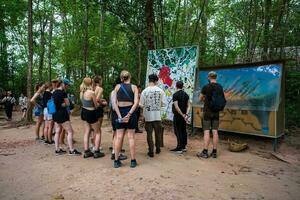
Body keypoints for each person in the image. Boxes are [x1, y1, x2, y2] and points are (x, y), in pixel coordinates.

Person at [112, 70, 139, 168]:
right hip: (130, 112)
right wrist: (129, 114)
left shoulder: (117, 87)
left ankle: (116, 161)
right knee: (131, 137)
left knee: (118, 137)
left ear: (121, 77)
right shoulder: (134, 87)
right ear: (130, 77)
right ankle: (133, 161)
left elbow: (114, 103)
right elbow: (136, 102)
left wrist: (120, 116)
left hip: (120, 112)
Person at [197, 71, 225, 158]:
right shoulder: (220, 87)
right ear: (216, 77)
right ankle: (214, 152)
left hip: (207, 112)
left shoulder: (206, 87)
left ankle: (205, 152)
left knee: (206, 131)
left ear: (209, 77)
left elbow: (200, 98)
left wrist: (205, 99)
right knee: (215, 131)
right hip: (216, 112)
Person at [52, 80, 81, 156]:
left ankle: (57, 149)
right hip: (62, 114)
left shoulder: (54, 92)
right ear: (63, 84)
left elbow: (56, 103)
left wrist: (62, 104)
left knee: (57, 131)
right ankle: (71, 150)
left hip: (55, 114)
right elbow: (67, 103)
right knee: (70, 131)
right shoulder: (63, 93)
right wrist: (64, 104)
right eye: (67, 85)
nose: (68, 86)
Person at [139, 74, 165, 157]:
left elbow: (141, 104)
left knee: (149, 134)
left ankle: (151, 151)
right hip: (157, 116)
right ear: (156, 81)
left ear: (149, 80)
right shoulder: (160, 91)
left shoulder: (144, 91)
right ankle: (158, 148)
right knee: (158, 133)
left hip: (148, 117)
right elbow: (163, 103)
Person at [80, 77, 105, 158]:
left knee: (87, 132)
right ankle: (97, 151)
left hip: (83, 112)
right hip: (91, 113)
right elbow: (96, 105)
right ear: (91, 83)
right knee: (97, 132)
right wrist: (103, 103)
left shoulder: (82, 92)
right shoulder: (91, 92)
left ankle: (87, 151)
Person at [109, 78, 127, 161]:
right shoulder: (116, 92)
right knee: (118, 135)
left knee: (115, 134)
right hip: (116, 114)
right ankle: (117, 153)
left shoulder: (113, 91)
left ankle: (114, 152)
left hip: (113, 115)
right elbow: (114, 106)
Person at [171, 81, 191, 154]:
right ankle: (184, 147)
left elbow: (176, 107)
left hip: (178, 116)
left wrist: (182, 115)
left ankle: (179, 148)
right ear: (182, 86)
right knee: (183, 131)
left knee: (177, 131)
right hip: (184, 116)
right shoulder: (186, 95)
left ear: (176, 86)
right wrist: (186, 114)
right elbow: (189, 105)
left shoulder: (175, 95)